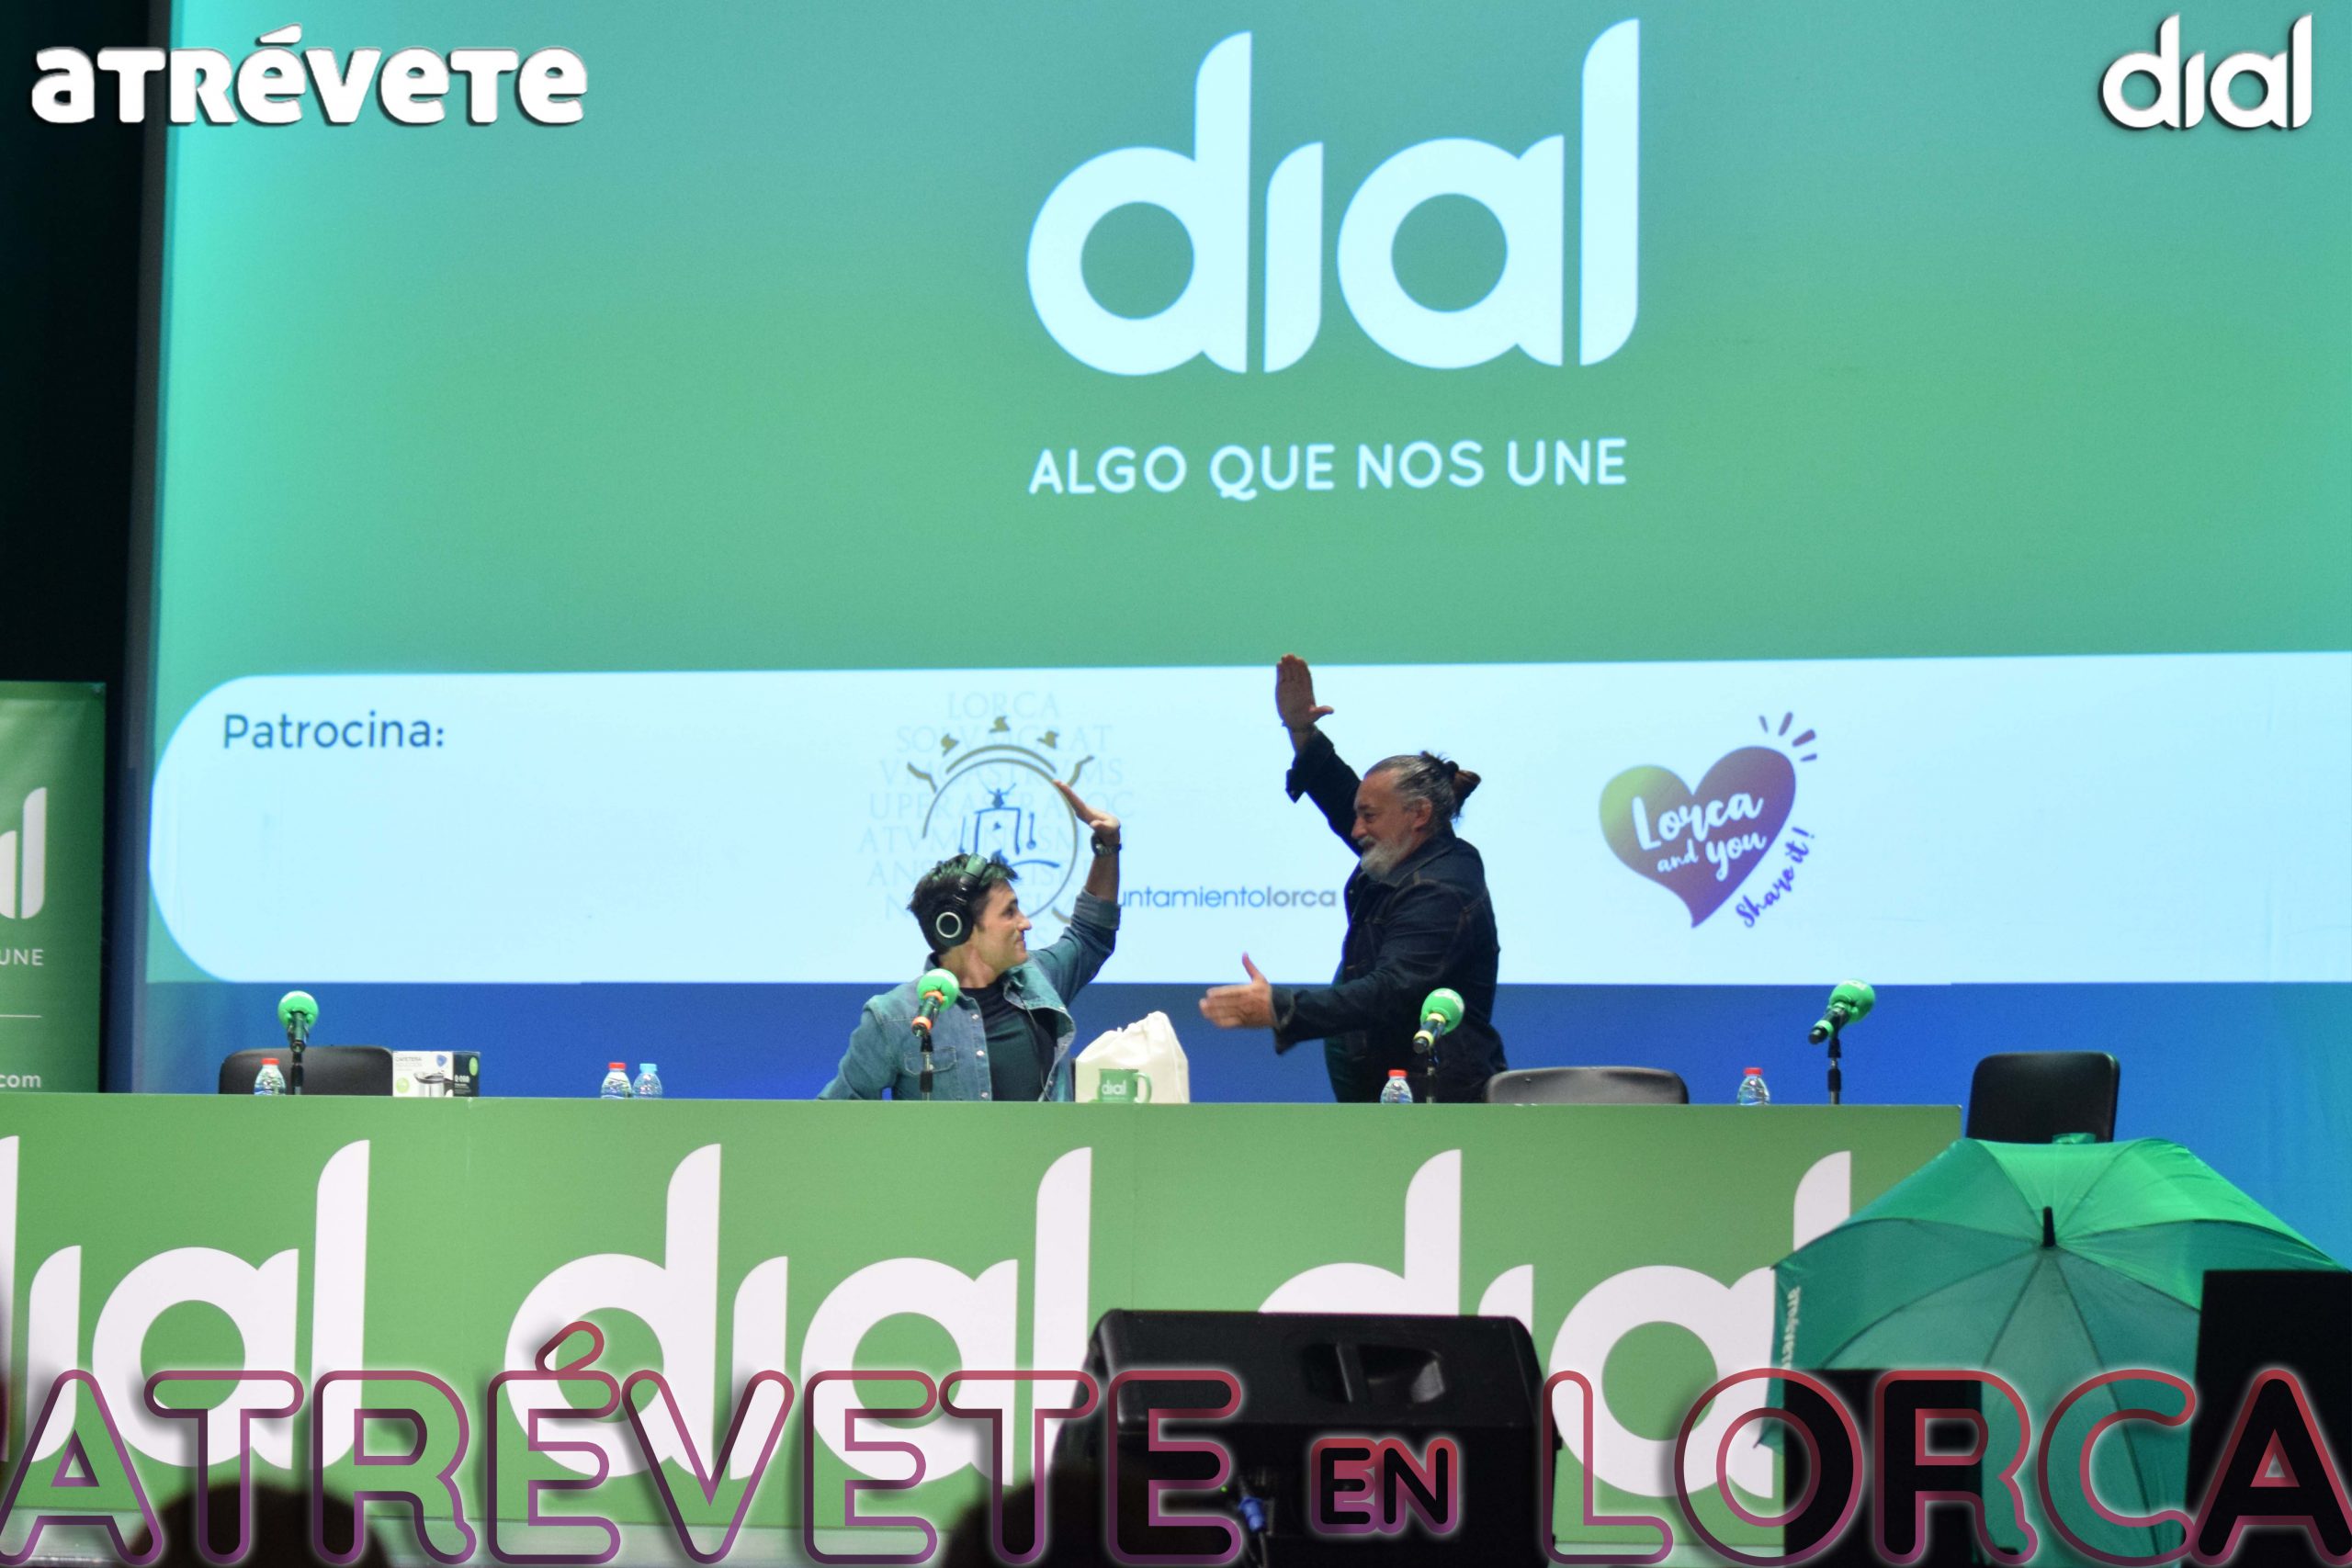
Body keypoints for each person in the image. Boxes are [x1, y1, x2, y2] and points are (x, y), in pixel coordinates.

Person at [1198, 655, 1506, 1102]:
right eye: (1358, 815)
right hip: (1387, 1090)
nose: (1356, 828)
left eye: (1369, 816)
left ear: (1419, 814)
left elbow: (1390, 991)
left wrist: (1282, 1007)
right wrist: (1300, 730)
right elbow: (1344, 798)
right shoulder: (1405, 849)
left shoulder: (1440, 889)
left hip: (1434, 1101)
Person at [821, 781, 1121, 1101]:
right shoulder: (893, 1017)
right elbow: (836, 1114)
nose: (1026, 923)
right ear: (957, 929)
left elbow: (1091, 935)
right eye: (1009, 912)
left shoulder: (1040, 977)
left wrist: (1107, 847)